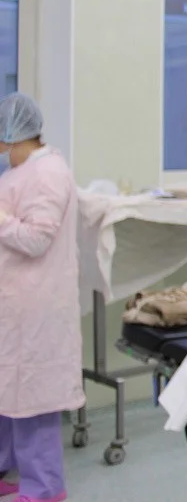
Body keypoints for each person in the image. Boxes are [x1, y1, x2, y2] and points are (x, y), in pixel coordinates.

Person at [0, 93, 83, 502]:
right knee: (7, 393)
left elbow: (36, 238)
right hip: (14, 304)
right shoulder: (20, 171)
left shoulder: (48, 172)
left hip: (36, 307)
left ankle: (45, 488)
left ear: (11, 134)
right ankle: (5, 473)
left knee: (31, 397)